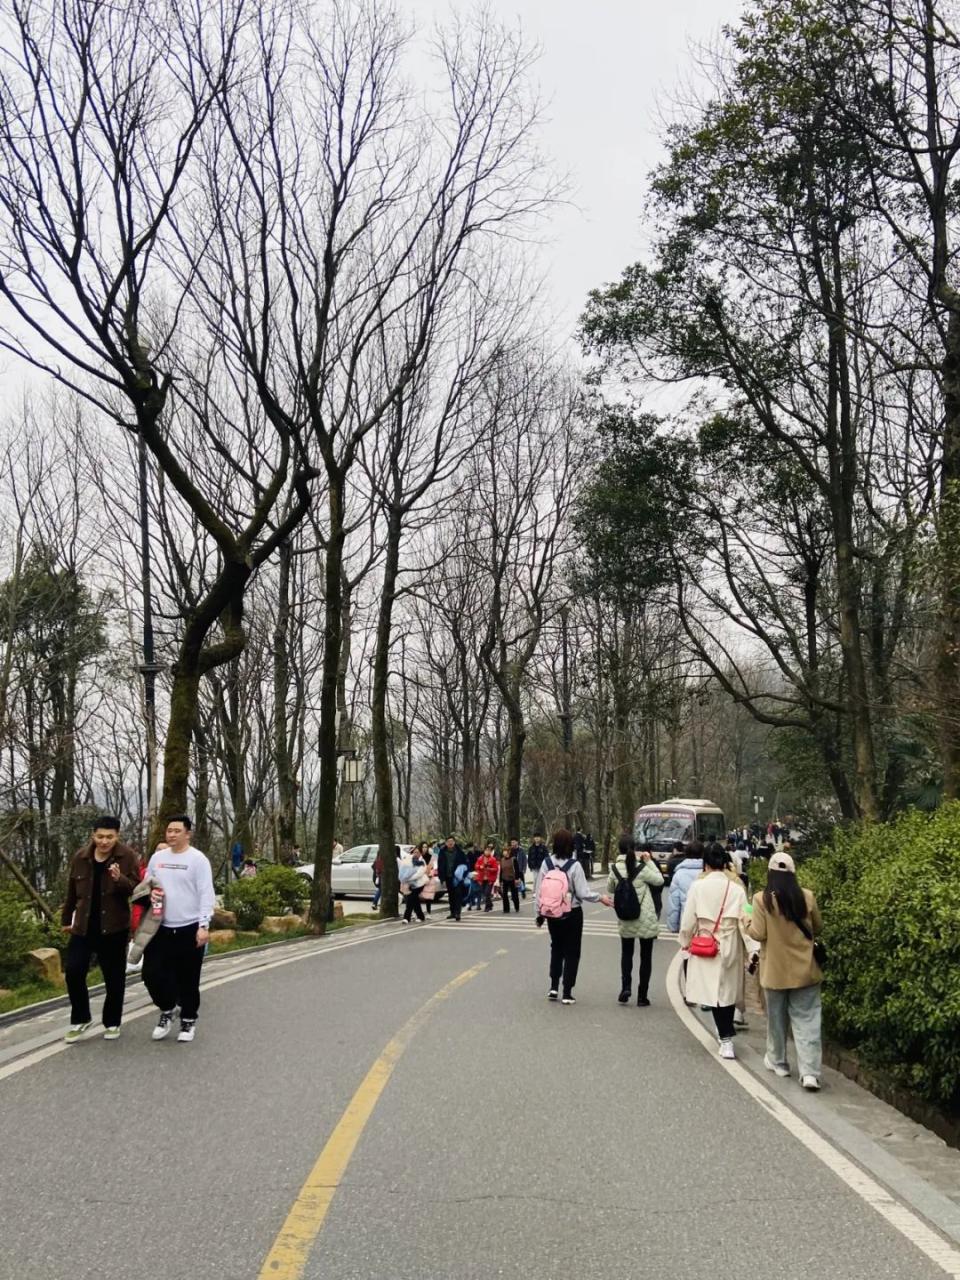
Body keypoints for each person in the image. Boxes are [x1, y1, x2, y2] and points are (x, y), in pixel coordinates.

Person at [745, 851, 824, 1090]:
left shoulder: (761, 900)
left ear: (769, 873)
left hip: (775, 972)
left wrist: (745, 922)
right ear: (793, 873)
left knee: (777, 1020)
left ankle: (779, 1062)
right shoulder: (807, 897)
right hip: (805, 971)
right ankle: (810, 1072)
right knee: (808, 1020)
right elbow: (818, 927)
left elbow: (758, 934)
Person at [61, 816, 140, 1043]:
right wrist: (66, 919)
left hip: (114, 928)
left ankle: (112, 1022)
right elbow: (71, 891)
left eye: (109, 837)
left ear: (117, 836)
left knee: (114, 978)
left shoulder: (127, 856)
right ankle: (81, 1018)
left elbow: (135, 889)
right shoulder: (81, 857)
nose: (104, 841)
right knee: (74, 971)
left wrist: (119, 879)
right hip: (83, 927)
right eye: (100, 837)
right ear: (93, 835)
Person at [142, 814, 216, 1044]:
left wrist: (203, 925)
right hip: (160, 926)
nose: (171, 834)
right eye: (169, 831)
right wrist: (150, 892)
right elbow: (147, 883)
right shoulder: (157, 858)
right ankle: (167, 1009)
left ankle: (188, 1020)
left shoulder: (198, 860)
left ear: (187, 834)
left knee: (188, 979)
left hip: (189, 927)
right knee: (151, 974)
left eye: (176, 831)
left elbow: (206, 893)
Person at [678, 842, 748, 1059]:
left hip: (706, 943)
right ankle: (725, 1036)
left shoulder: (698, 887)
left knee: (713, 993)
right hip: (729, 944)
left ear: (705, 864)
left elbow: (688, 918)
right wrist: (752, 948)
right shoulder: (737, 889)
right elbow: (746, 918)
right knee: (726, 992)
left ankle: (725, 1038)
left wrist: (685, 939)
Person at [534, 828, 613, 1004]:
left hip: (552, 914)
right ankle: (567, 992)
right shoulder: (575, 866)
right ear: (571, 845)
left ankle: (553, 987)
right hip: (572, 913)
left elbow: (538, 891)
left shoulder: (546, 864)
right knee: (572, 951)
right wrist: (601, 898)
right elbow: (583, 892)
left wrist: (539, 914)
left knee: (556, 948)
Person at [607, 835, 664, 1006]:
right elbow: (659, 880)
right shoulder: (642, 867)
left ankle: (626, 987)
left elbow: (610, 888)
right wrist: (650, 861)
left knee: (626, 953)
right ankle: (642, 996)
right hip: (644, 917)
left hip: (626, 916)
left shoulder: (615, 868)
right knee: (645, 957)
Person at [665, 841, 705, 932]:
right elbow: (744, 907)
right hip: (709, 926)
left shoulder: (679, 874)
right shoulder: (709, 873)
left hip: (687, 923)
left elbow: (674, 903)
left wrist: (673, 926)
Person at [437, 836, 466, 920]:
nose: (450, 843)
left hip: (457, 877)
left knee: (458, 894)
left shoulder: (459, 851)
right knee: (451, 895)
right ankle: (452, 912)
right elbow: (440, 865)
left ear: (454, 842)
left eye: (452, 841)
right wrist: (441, 877)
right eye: (448, 841)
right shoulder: (442, 852)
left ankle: (457, 913)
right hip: (447, 877)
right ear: (446, 843)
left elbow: (464, 863)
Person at [475, 843, 499, 911]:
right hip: (482, 878)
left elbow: (496, 869)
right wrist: (480, 867)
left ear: (491, 852)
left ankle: (487, 907)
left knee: (487, 892)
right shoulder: (480, 858)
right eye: (486, 850)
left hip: (490, 879)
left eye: (489, 850)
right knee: (484, 893)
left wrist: (489, 869)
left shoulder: (493, 859)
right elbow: (476, 866)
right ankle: (490, 904)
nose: (487, 852)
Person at [498, 843, 521, 913]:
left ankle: (517, 906)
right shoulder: (502, 860)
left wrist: (517, 878)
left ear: (509, 852)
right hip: (504, 879)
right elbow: (501, 871)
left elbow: (517, 869)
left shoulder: (513, 859)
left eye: (506, 851)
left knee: (514, 895)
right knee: (504, 895)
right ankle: (506, 909)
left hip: (513, 879)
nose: (504, 852)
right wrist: (500, 880)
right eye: (503, 851)